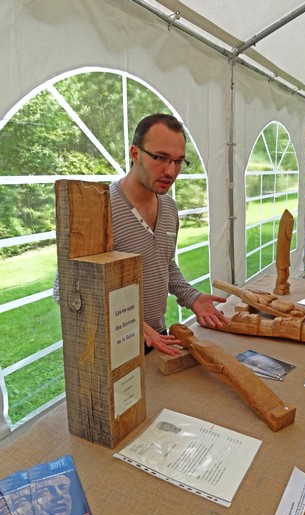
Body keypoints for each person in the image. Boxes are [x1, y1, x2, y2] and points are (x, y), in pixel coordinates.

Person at [55, 113, 228, 355]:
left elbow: (163, 263)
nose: (171, 171)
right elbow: (65, 289)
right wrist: (131, 322)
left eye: (179, 161)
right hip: (112, 346)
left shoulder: (169, 208)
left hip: (159, 337)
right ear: (135, 154)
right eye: (161, 158)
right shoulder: (99, 212)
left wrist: (192, 297)